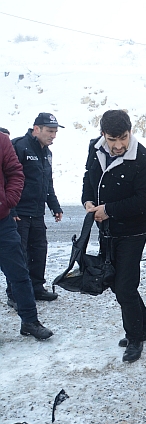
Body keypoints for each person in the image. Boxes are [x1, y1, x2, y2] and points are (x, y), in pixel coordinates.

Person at [82, 110, 146, 363]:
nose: (118, 145)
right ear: (102, 133)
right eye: (112, 139)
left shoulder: (143, 159)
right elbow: (88, 177)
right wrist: (88, 199)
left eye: (123, 138)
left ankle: (135, 338)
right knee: (116, 282)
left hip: (132, 231)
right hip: (106, 230)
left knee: (125, 286)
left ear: (130, 131)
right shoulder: (95, 149)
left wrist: (109, 210)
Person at [6, 113, 64, 305]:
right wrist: (11, 209)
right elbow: (8, 179)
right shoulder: (19, 146)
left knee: (39, 251)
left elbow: (47, 182)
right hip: (19, 212)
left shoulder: (47, 153)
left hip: (37, 212)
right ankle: (15, 295)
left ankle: (37, 288)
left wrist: (54, 206)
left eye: (55, 132)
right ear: (36, 129)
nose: (53, 135)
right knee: (18, 255)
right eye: (50, 131)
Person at [0, 131, 53, 339]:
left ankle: (30, 322)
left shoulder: (2, 141)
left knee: (19, 273)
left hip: (3, 222)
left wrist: (9, 201)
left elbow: (15, 172)